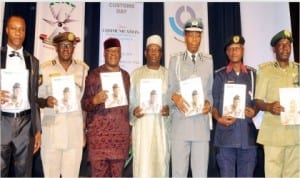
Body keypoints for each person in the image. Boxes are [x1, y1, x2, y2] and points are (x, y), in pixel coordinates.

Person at [37, 32, 89, 177]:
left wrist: (84, 131)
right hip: (52, 132)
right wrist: (46, 101)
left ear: (74, 48)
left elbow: (85, 103)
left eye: (69, 46)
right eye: (62, 46)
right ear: (56, 48)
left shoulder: (83, 69)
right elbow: (37, 98)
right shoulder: (45, 69)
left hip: (74, 133)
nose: (66, 49)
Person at [167, 18, 213, 177]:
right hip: (180, 125)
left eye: (198, 35)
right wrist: (175, 97)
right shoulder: (175, 60)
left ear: (201, 37)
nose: (194, 39)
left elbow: (210, 93)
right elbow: (168, 90)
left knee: (201, 173)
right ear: (185, 37)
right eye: (191, 35)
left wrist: (209, 104)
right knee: (179, 173)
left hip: (201, 126)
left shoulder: (208, 61)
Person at [81, 37, 130, 177]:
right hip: (99, 140)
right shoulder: (94, 76)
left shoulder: (126, 76)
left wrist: (130, 133)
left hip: (120, 139)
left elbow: (128, 107)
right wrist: (95, 100)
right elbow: (84, 104)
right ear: (104, 54)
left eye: (116, 51)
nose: (113, 54)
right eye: (110, 51)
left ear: (120, 54)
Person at [0, 15, 41, 177]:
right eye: (14, 29)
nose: (18, 33)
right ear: (6, 30)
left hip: (26, 124)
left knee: (24, 173)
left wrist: (37, 130)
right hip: (2, 121)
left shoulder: (33, 61)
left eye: (22, 29)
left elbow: (35, 97)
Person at [255, 30, 300, 177]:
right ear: (274, 49)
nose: (285, 49)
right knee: (273, 174)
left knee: (294, 174)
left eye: (288, 45)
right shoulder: (265, 71)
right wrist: (269, 107)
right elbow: (258, 100)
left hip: (295, 133)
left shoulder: (298, 69)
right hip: (273, 132)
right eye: (281, 45)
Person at [212, 35, 258, 177]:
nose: (234, 52)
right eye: (230, 49)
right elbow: (214, 104)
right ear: (227, 53)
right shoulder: (220, 76)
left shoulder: (253, 75)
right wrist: (218, 118)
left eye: (237, 48)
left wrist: (255, 110)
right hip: (226, 137)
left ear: (243, 50)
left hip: (248, 138)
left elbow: (258, 101)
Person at [130, 34, 170, 177]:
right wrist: (134, 112)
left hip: (162, 130)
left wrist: (169, 110)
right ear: (145, 53)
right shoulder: (135, 75)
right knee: (143, 168)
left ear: (161, 54)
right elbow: (130, 103)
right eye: (150, 49)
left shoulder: (168, 75)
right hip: (142, 129)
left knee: (161, 166)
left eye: (157, 49)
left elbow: (173, 104)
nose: (153, 52)